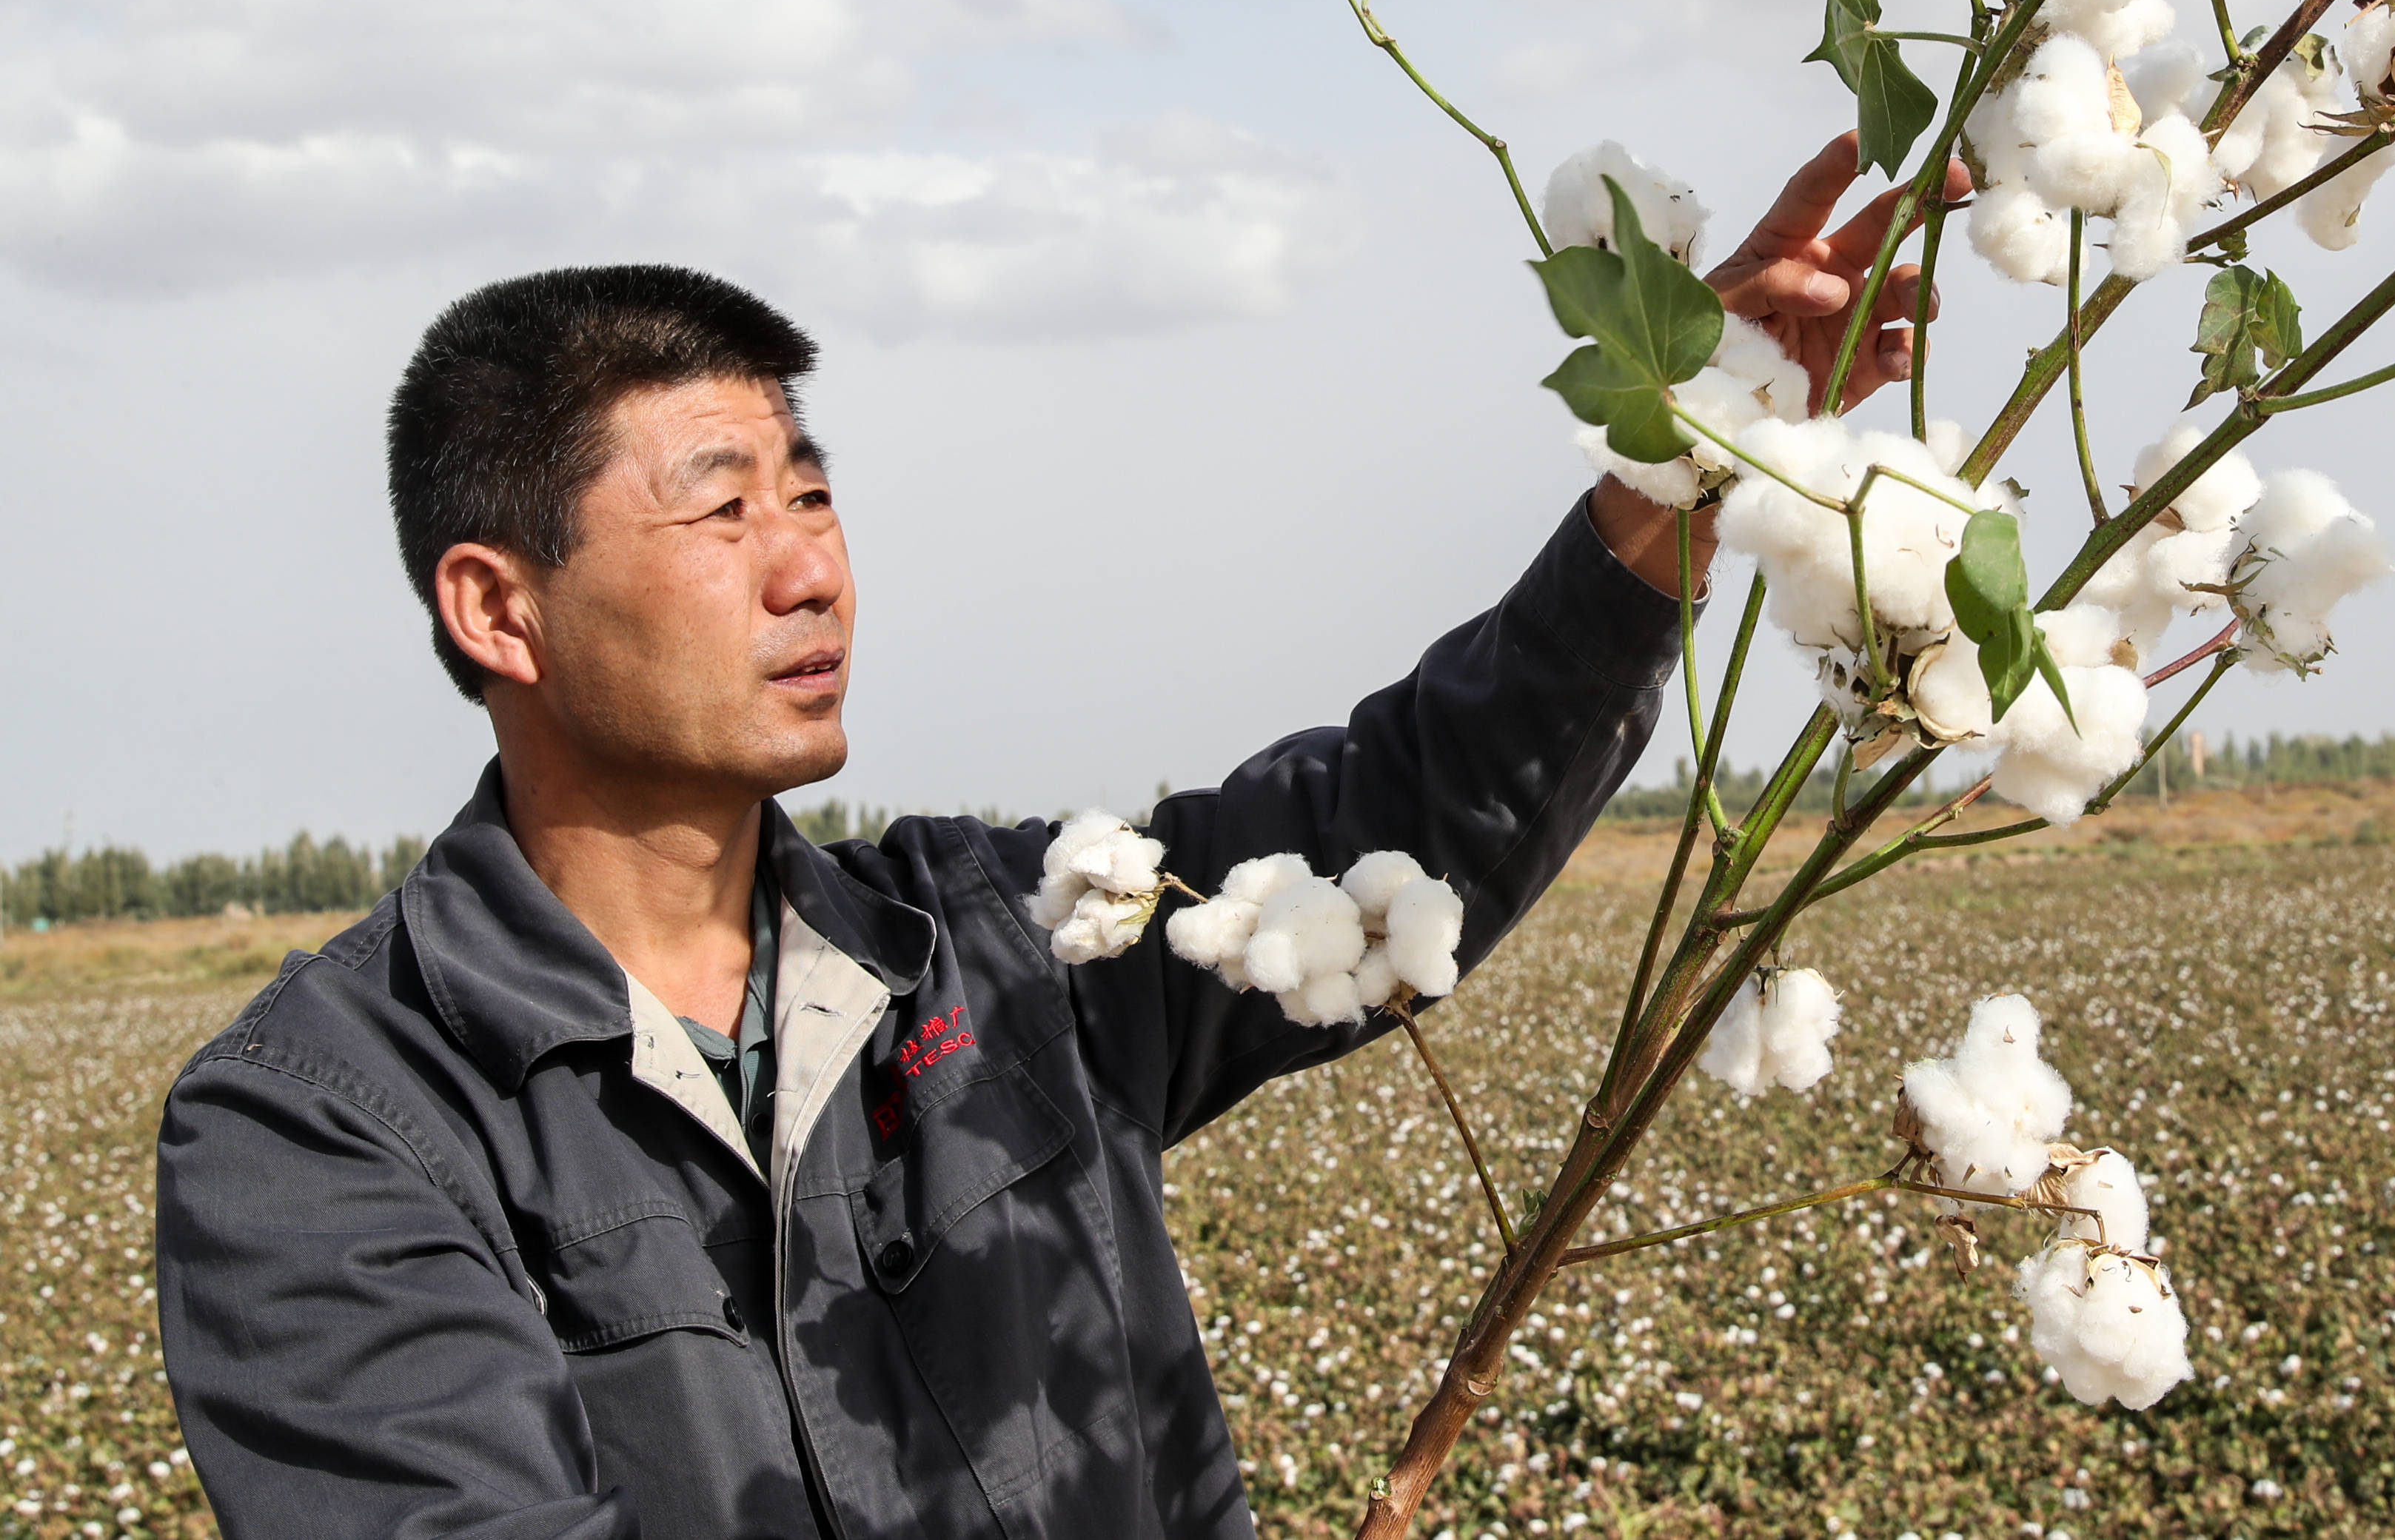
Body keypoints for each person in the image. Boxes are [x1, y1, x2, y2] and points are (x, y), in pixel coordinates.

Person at [153, 133, 1949, 1539]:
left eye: (815, 490)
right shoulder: (326, 1132)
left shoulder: (1009, 939)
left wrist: (1686, 463)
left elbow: (1389, 834)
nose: (808, 564)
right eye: (722, 510)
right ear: (500, 610)